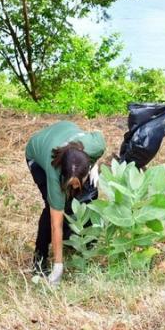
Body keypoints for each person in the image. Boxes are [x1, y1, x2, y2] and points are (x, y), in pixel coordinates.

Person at [26, 122, 105, 285]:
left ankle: (79, 244)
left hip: (66, 130)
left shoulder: (96, 146)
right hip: (37, 151)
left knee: (83, 197)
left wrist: (95, 165)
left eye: (77, 183)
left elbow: (98, 133)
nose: (75, 187)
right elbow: (57, 225)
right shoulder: (53, 171)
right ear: (63, 174)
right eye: (71, 183)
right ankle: (39, 260)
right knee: (52, 208)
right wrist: (58, 265)